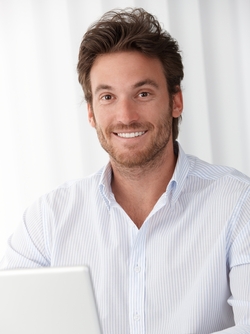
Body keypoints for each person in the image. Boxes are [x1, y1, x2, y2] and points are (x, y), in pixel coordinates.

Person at [1, 7, 250, 334]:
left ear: (176, 101)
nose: (126, 115)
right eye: (107, 97)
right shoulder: (45, 222)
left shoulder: (237, 203)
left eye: (143, 93)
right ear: (91, 113)